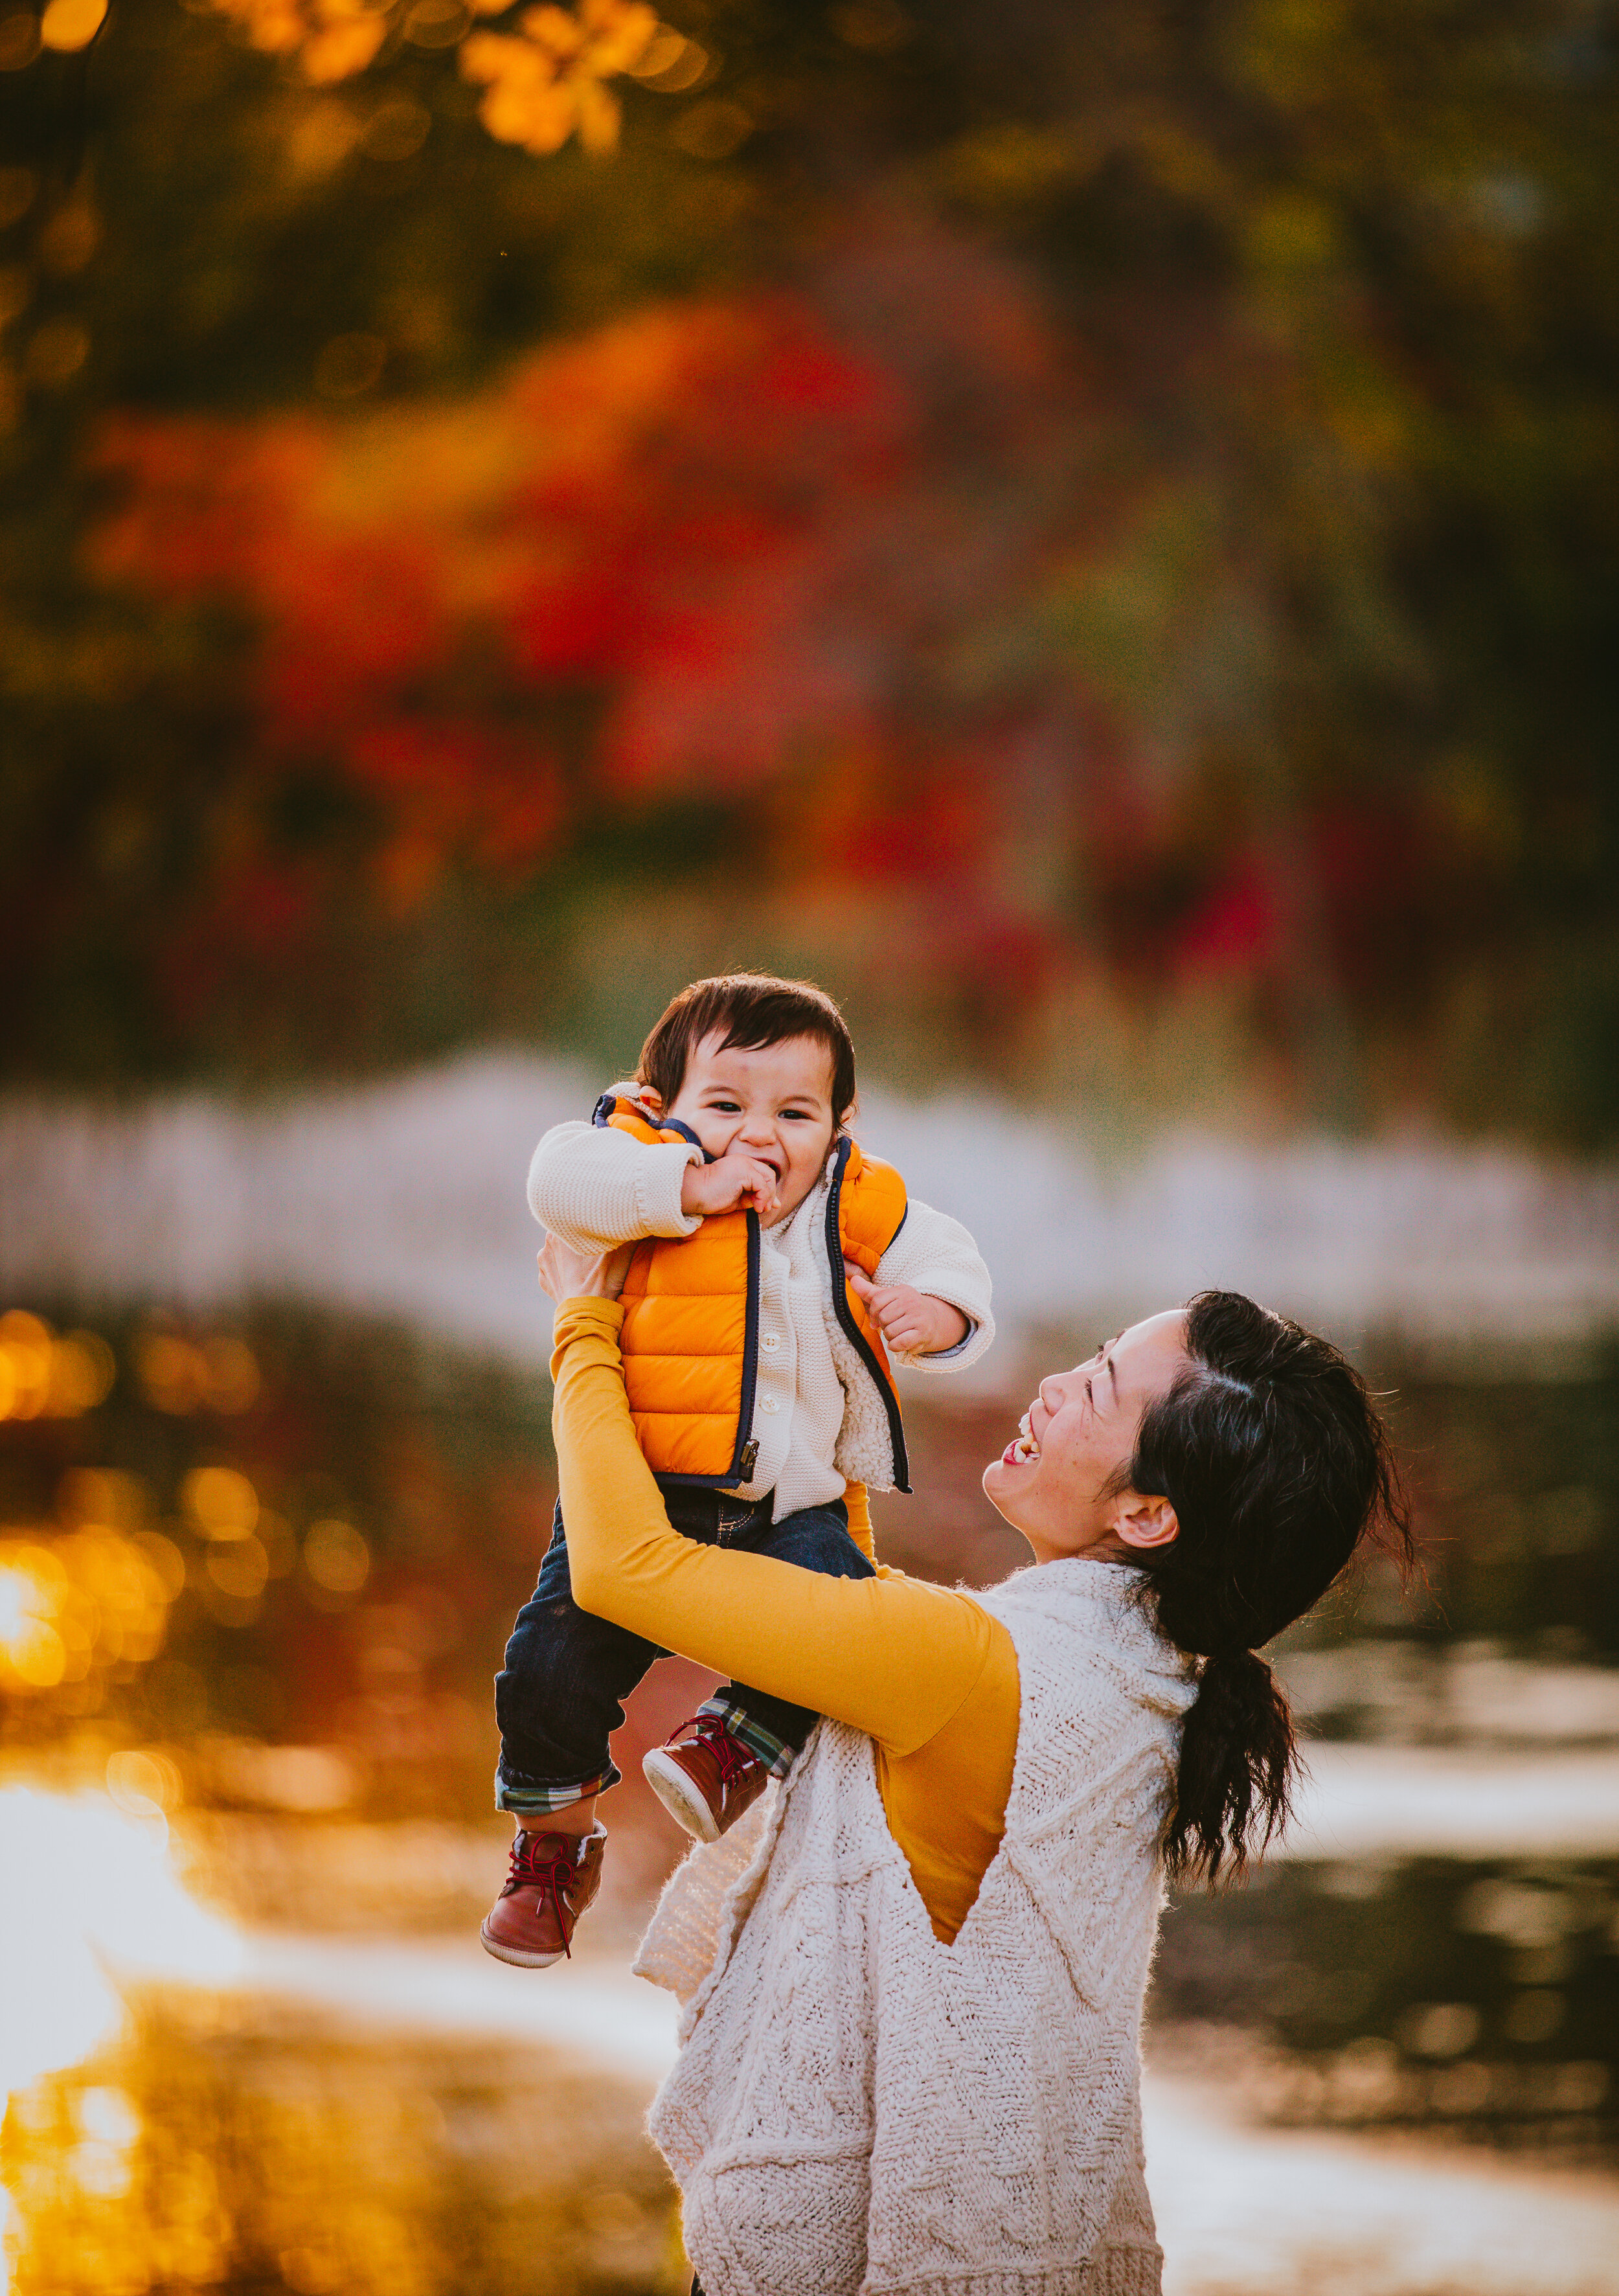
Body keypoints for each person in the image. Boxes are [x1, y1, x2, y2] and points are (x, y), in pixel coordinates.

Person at [530, 1238, 1410, 2296]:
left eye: (1096, 1388)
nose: (1050, 1385)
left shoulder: (968, 1667)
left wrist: (585, 1321)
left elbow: (624, 1563)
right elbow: (844, 1598)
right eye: (1088, 1356)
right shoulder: (1147, 1684)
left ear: (1145, 1516)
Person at [481, 972, 993, 1966]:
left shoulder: (850, 1201)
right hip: (645, 1494)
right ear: (664, 1103)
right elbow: (554, 1179)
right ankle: (553, 1846)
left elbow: (952, 1254)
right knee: (547, 1667)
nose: (760, 1134)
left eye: (794, 1111)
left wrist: (939, 1313)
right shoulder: (637, 1169)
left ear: (841, 1122)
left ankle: (732, 1746)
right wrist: (687, 1183)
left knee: (840, 1602)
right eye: (725, 1106)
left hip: (786, 1499)